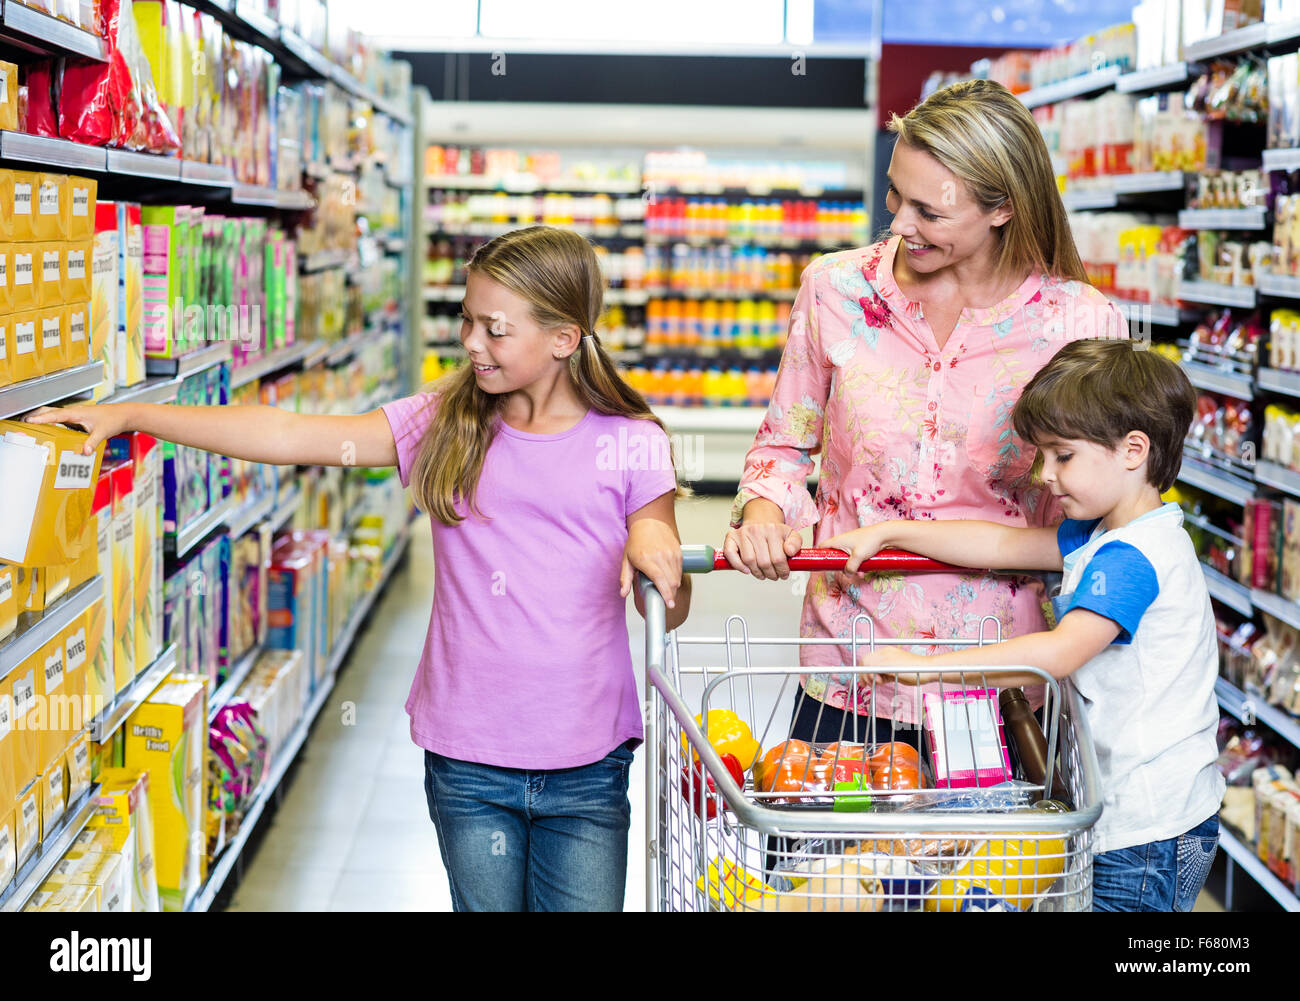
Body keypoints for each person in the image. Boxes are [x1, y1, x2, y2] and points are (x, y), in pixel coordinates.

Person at [29, 225, 692, 912]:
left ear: (564, 338)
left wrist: (654, 552)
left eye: (495, 330)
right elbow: (290, 435)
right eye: (467, 320)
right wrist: (137, 413)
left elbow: (668, 607)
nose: (470, 343)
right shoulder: (446, 422)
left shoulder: (631, 443)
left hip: (587, 762)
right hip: (467, 754)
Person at [723, 78, 1127, 749]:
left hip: (1001, 676)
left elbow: (1107, 508)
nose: (898, 225)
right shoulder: (836, 290)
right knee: (830, 859)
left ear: (1003, 209)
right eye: (893, 194)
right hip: (848, 666)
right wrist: (764, 514)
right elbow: (784, 449)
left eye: (929, 211)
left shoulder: (1079, 324)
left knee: (979, 860)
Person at [825, 338, 1224, 912]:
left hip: (1148, 830)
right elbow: (1000, 543)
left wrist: (920, 670)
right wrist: (891, 533)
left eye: (1063, 456)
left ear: (1133, 450)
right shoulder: (1105, 535)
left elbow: (1057, 653)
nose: (1044, 475)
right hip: (1131, 810)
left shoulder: (1135, 556)